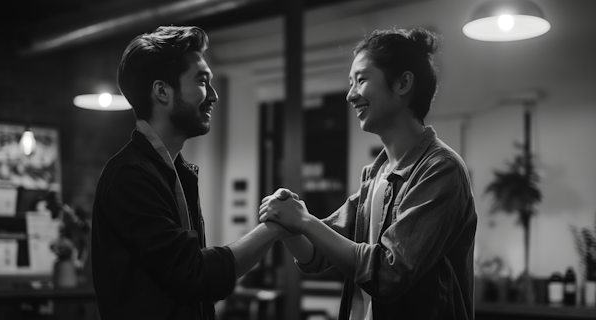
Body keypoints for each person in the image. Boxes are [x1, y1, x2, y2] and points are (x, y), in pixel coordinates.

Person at [260, 28, 477, 320]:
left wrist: (302, 220)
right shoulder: (375, 176)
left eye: (361, 80)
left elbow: (389, 274)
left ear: (403, 83)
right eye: (351, 83)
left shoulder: (440, 169)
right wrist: (288, 224)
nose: (350, 95)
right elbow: (316, 254)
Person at [92, 26, 292, 320]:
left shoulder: (176, 172)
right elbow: (195, 274)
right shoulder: (129, 176)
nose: (213, 96)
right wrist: (272, 229)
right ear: (162, 91)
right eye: (202, 81)